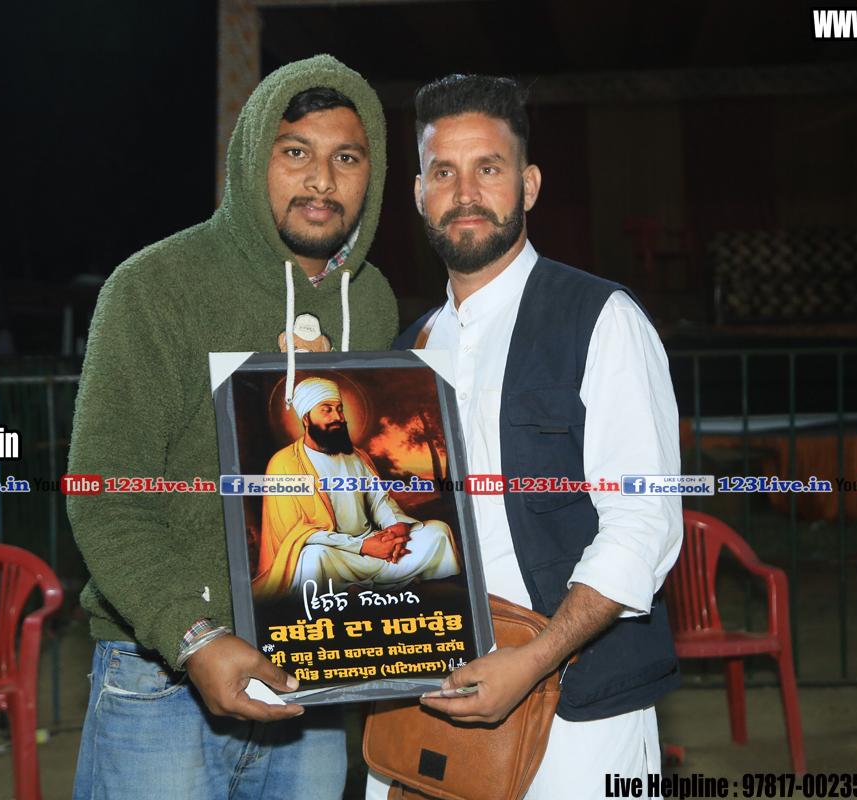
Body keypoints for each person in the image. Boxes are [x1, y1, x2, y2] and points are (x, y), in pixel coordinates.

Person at [67, 55, 399, 800]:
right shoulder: (155, 287)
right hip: (164, 678)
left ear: (372, 174)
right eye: (296, 152)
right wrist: (195, 637)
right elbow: (103, 494)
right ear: (252, 160)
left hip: (312, 682)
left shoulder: (372, 300)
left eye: (346, 158)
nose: (322, 180)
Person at [373, 75, 684, 799]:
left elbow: (645, 523)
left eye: (489, 168)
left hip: (580, 711)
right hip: (433, 694)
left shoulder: (601, 320)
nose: (466, 192)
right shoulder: (408, 349)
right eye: (443, 172)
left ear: (529, 184)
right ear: (419, 193)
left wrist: (535, 659)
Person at [253, 376, 460, 602]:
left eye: (339, 409)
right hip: (338, 554)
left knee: (438, 531)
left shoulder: (356, 456)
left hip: (376, 545)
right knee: (313, 557)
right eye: (327, 410)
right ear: (306, 418)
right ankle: (385, 584)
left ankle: (366, 586)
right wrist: (362, 547)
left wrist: (395, 528)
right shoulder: (284, 464)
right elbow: (298, 534)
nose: (337, 417)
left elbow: (379, 501)